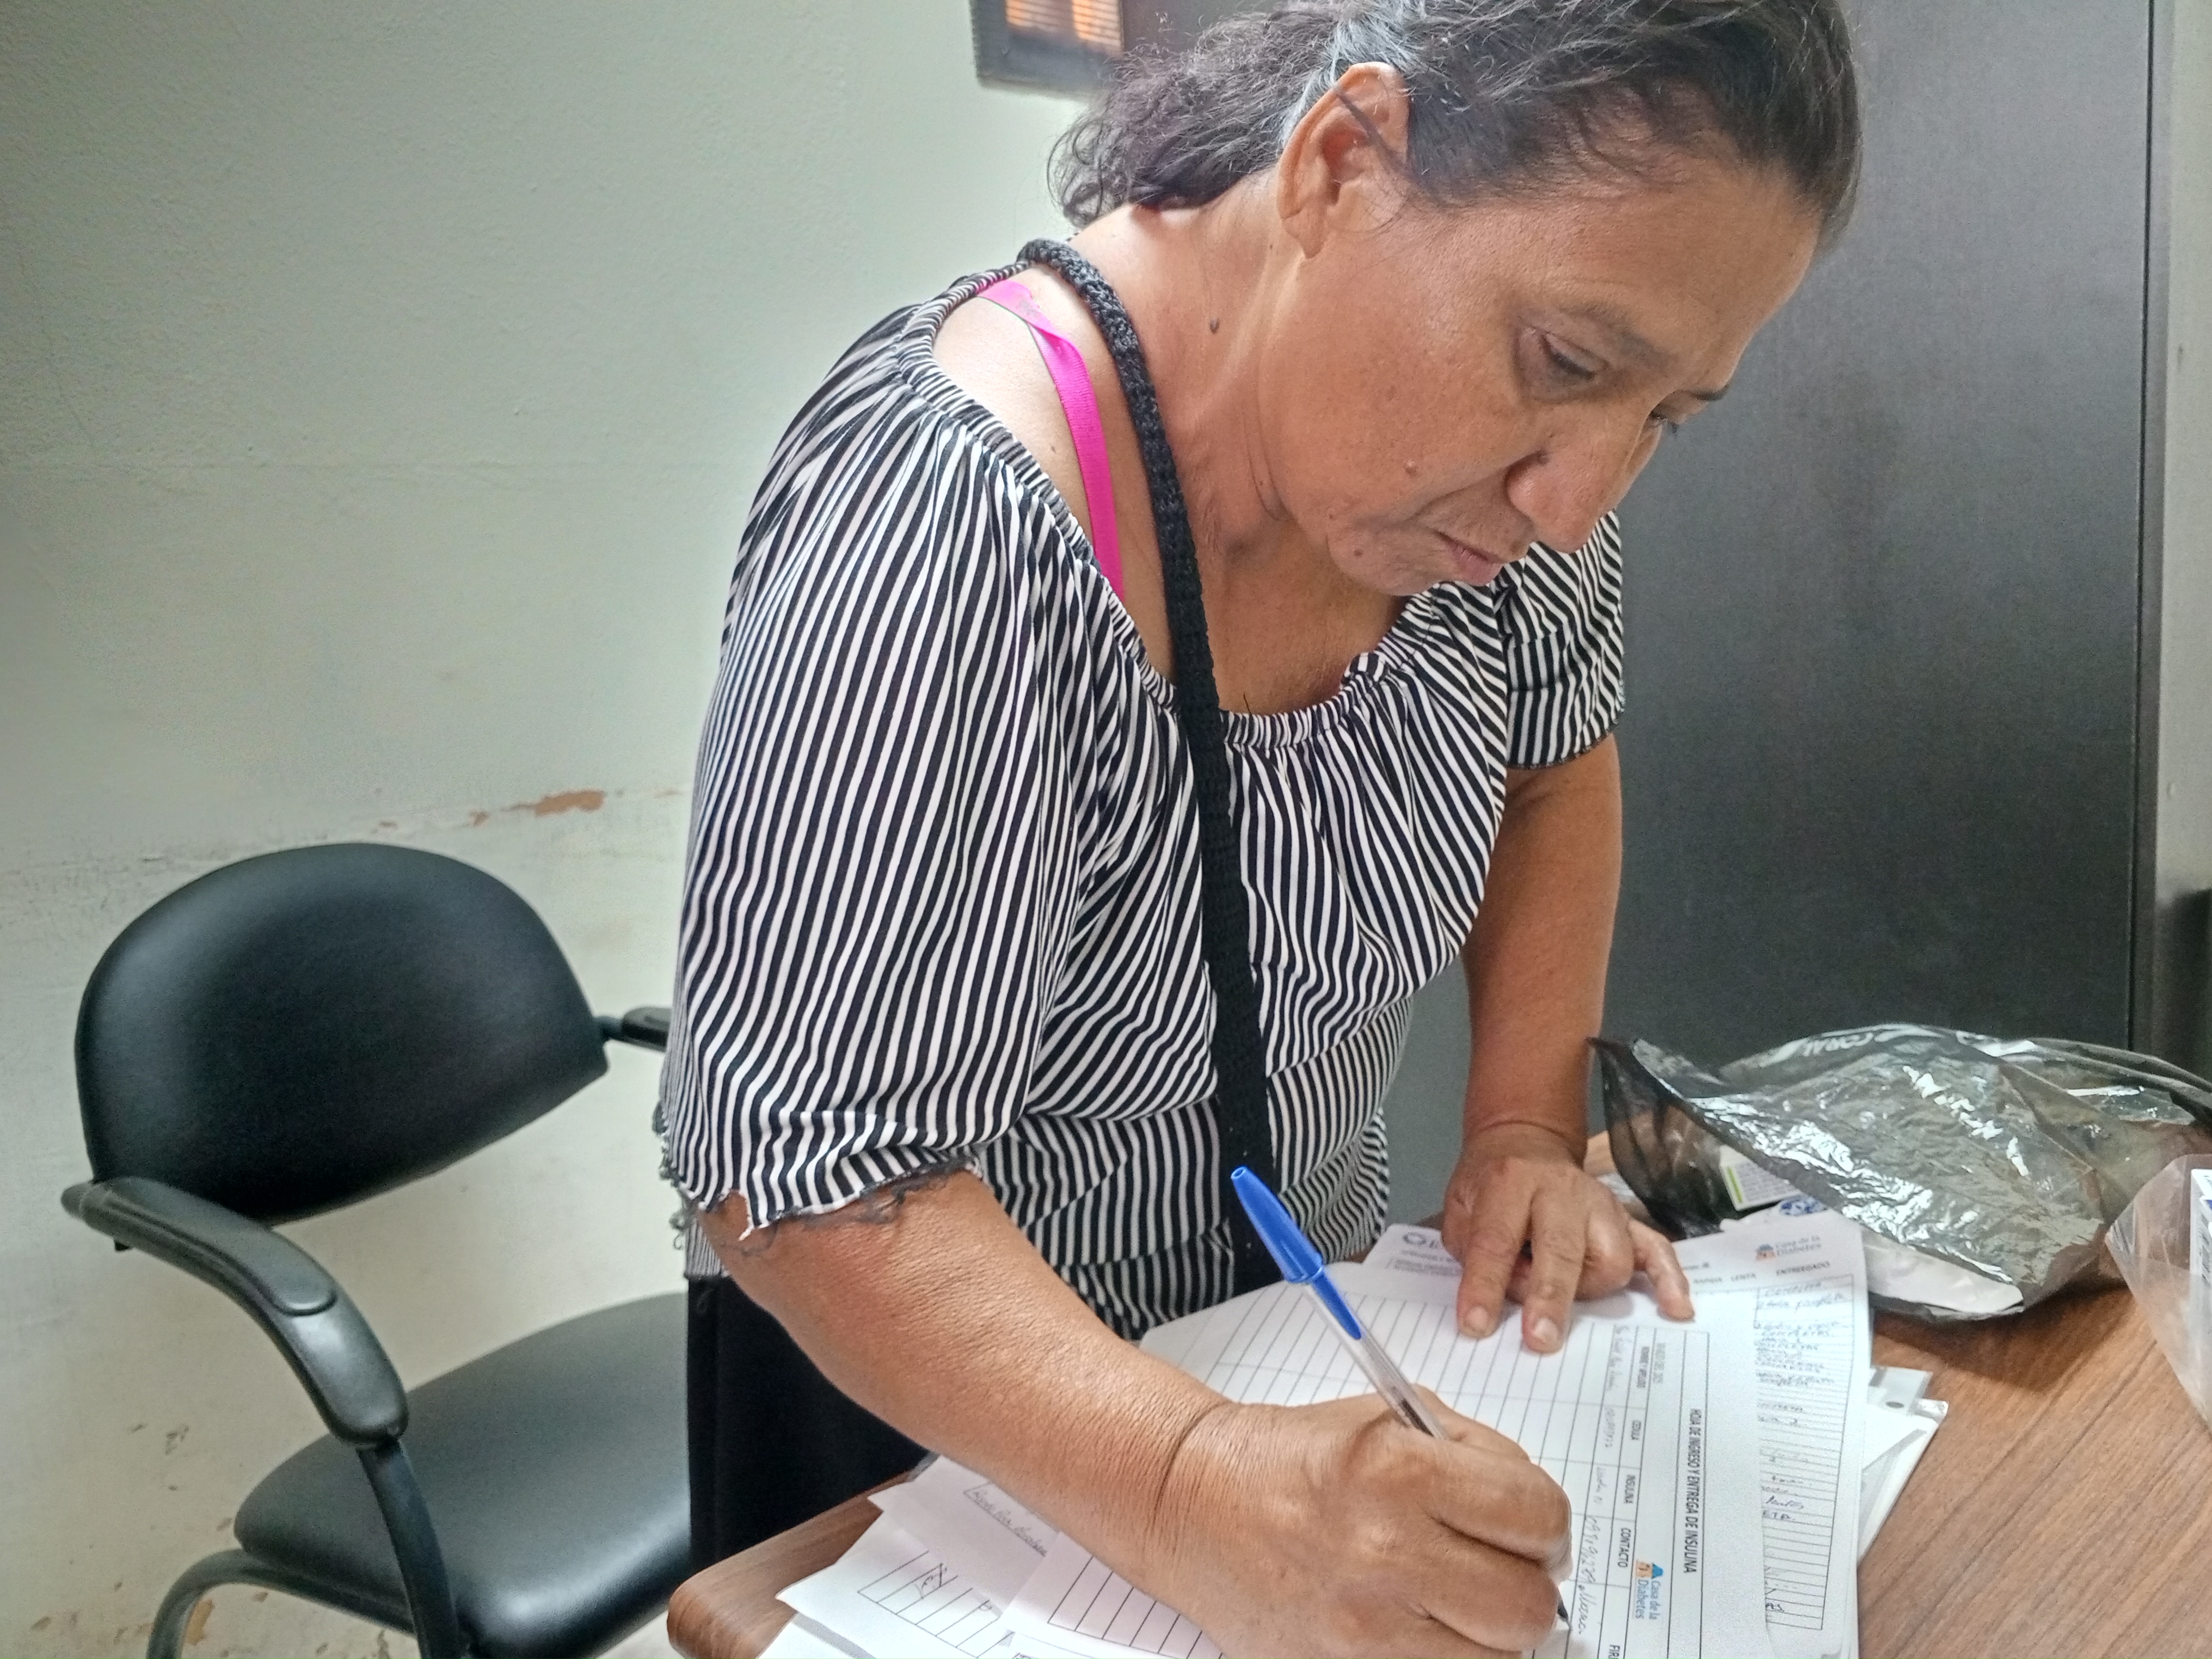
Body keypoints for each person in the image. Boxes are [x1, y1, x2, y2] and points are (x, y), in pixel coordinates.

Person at [661, 2, 1860, 1652]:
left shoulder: (1491, 511)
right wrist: (1186, 1484)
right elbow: (808, 1174)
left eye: (1667, 416)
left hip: (1293, 1346)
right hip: (927, 1447)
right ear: (1341, 164)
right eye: (1570, 362)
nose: (1580, 497)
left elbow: (1553, 767)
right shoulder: (952, 517)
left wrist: (1521, 1126)